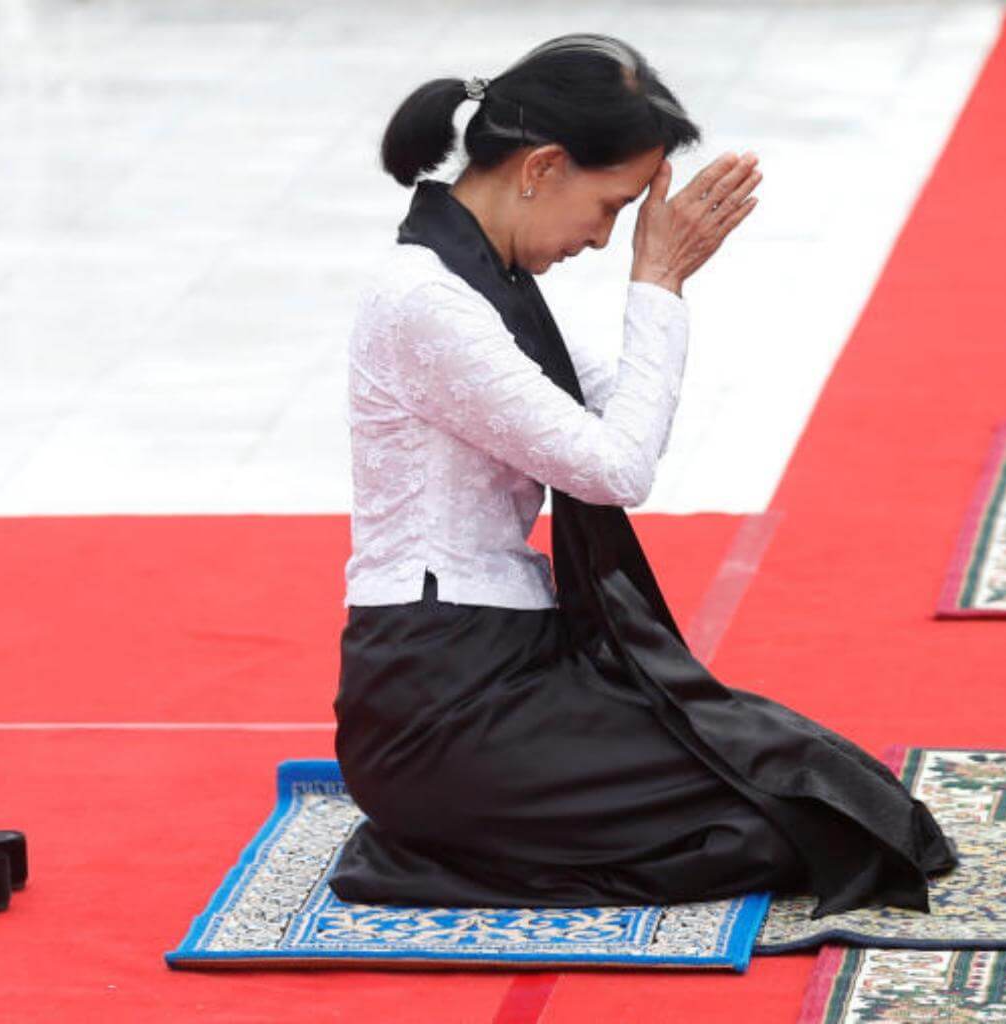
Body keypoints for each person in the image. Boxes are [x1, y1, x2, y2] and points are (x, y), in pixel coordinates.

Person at [330, 32, 958, 919]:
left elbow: (618, 422)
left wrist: (661, 287)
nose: (602, 238)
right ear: (543, 167)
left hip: (515, 662)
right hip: (442, 704)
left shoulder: (488, 279)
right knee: (792, 828)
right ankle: (433, 847)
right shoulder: (426, 301)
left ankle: (471, 838)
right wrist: (657, 282)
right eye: (611, 206)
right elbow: (615, 470)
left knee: (826, 781)